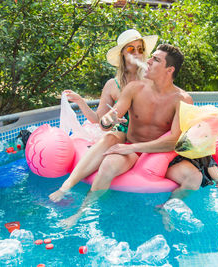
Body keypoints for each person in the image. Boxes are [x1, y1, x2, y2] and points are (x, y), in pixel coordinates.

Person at [61, 43, 196, 228]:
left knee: (193, 178)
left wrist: (133, 147)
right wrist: (108, 120)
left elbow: (173, 140)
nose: (147, 60)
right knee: (108, 164)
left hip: (156, 155)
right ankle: (81, 213)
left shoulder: (182, 99)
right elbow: (106, 121)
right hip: (132, 151)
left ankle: (166, 208)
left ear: (169, 69)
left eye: (155, 59)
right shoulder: (134, 88)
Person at [49, 29, 158, 202]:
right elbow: (97, 120)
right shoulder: (112, 85)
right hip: (120, 135)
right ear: (123, 53)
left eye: (140, 49)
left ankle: (73, 196)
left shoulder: (152, 80)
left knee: (113, 138)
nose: (137, 53)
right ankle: (65, 188)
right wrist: (80, 101)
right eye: (131, 49)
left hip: (142, 138)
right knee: (109, 136)